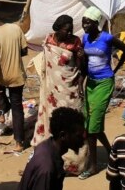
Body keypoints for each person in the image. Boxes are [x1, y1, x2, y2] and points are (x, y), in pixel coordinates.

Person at [79, 7, 125, 178]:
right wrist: (81, 82)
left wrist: (115, 69)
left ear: (96, 23)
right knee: (90, 123)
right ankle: (110, 152)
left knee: (93, 127)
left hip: (104, 83)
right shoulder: (85, 38)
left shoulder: (107, 38)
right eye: (83, 21)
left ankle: (93, 166)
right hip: (91, 84)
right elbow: (85, 63)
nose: (84, 25)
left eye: (88, 22)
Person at [33, 15, 87, 172]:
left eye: (71, 30)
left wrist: (81, 59)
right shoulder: (49, 40)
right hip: (52, 90)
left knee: (72, 119)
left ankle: (74, 163)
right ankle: (54, 155)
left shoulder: (76, 42)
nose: (69, 33)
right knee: (53, 119)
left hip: (69, 89)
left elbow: (81, 67)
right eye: (66, 30)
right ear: (57, 29)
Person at [0, 7, 29, 151]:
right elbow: (24, 50)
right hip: (17, 75)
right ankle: (19, 143)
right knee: (17, 109)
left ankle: (2, 113)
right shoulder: (15, 28)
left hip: (1, 76)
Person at [19, 107, 85, 190]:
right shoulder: (47, 168)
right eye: (78, 135)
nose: (83, 138)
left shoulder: (47, 146)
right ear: (63, 135)